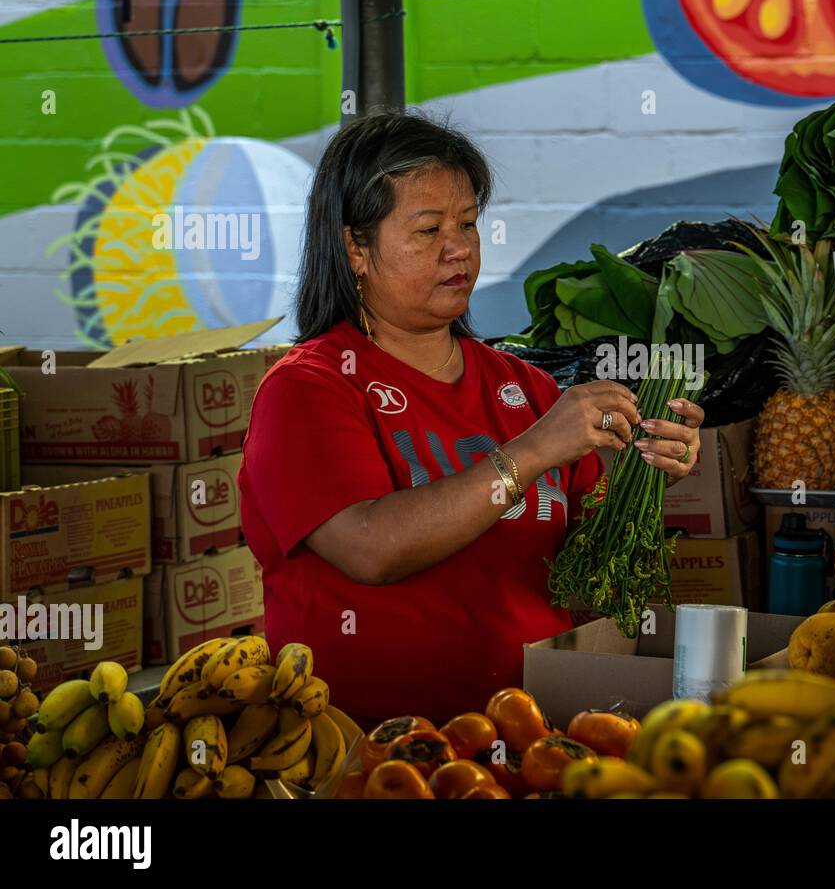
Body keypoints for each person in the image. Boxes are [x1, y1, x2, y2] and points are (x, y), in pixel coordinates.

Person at [238, 111, 704, 724]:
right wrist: (530, 453)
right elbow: (369, 547)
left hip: (530, 740)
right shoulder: (309, 388)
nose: (458, 248)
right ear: (356, 247)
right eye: (428, 230)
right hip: (373, 753)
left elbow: (587, 571)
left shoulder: (526, 387)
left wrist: (645, 471)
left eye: (467, 224)